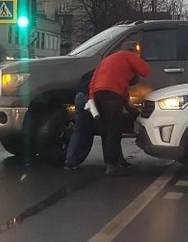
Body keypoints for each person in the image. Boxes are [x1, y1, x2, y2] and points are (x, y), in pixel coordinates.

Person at [89, 41, 150, 176]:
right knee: (114, 130)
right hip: (111, 95)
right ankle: (112, 165)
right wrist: (137, 60)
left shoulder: (106, 60)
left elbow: (93, 81)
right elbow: (145, 71)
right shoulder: (130, 56)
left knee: (107, 129)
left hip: (97, 95)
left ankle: (116, 160)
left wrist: (92, 99)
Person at [63, 70, 96, 171]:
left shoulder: (92, 71)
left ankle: (69, 161)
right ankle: (111, 161)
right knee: (106, 129)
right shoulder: (108, 71)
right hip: (92, 99)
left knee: (78, 130)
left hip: (80, 96)